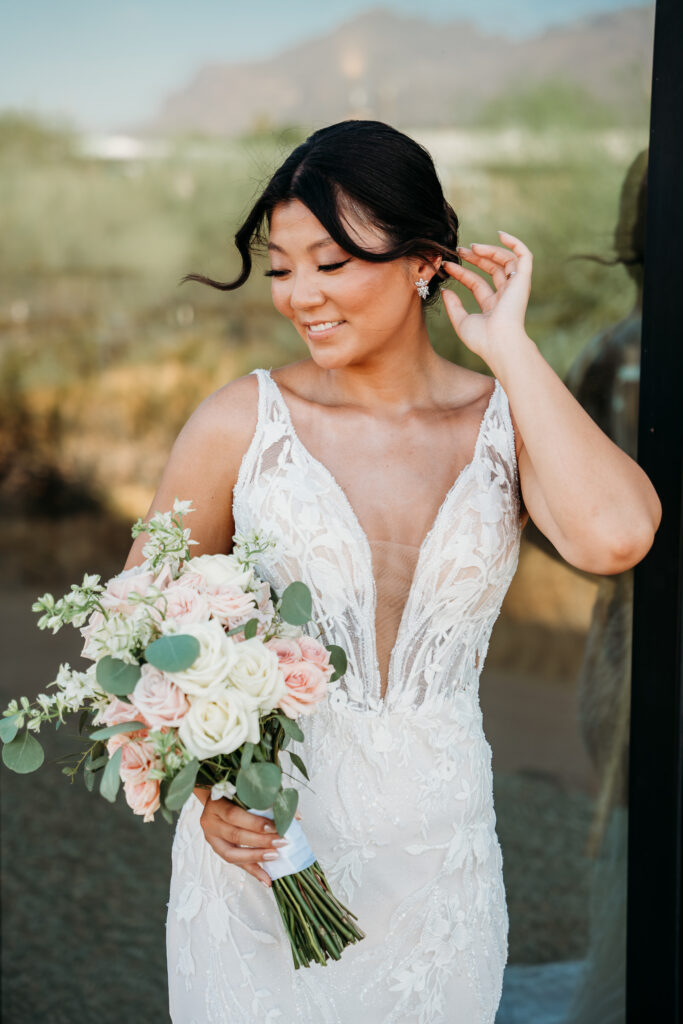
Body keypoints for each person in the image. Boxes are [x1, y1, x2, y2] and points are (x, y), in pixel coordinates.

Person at [123, 121, 660, 1023]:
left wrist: (510, 351)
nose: (301, 296)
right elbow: (141, 626)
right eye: (282, 268)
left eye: (331, 264)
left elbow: (613, 540)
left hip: (437, 861)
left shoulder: (505, 420)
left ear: (423, 262)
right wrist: (210, 791)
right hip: (267, 854)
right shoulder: (238, 422)